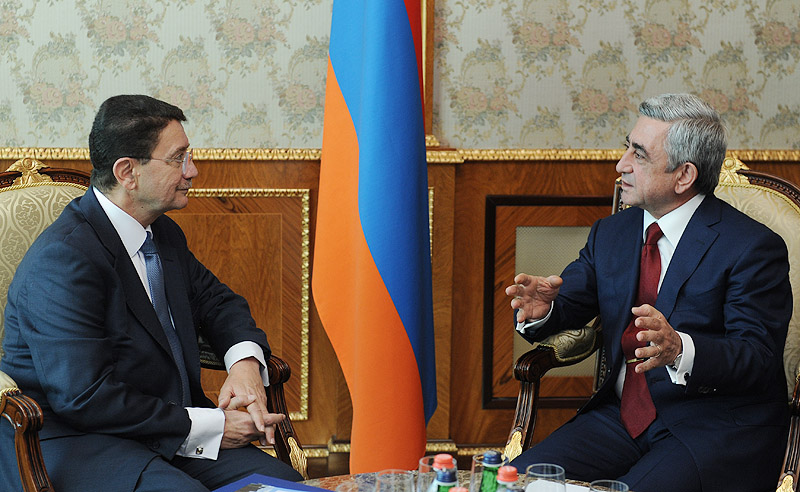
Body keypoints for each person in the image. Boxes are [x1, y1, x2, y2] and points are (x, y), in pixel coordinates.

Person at [1, 95, 303, 491]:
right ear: (127, 172)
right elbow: (85, 397)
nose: (192, 171)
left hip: (167, 431)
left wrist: (244, 364)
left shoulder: (161, 232)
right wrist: (213, 425)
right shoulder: (63, 260)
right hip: (82, 441)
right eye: (178, 159)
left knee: (284, 486)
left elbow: (219, 303)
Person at [505, 93, 791, 491]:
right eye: (627, 147)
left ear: (684, 175)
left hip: (712, 426)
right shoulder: (613, 232)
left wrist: (679, 349)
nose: (621, 164)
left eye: (638, 154)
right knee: (516, 484)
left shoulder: (752, 247)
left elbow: (757, 357)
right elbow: (570, 302)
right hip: (620, 419)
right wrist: (544, 311)